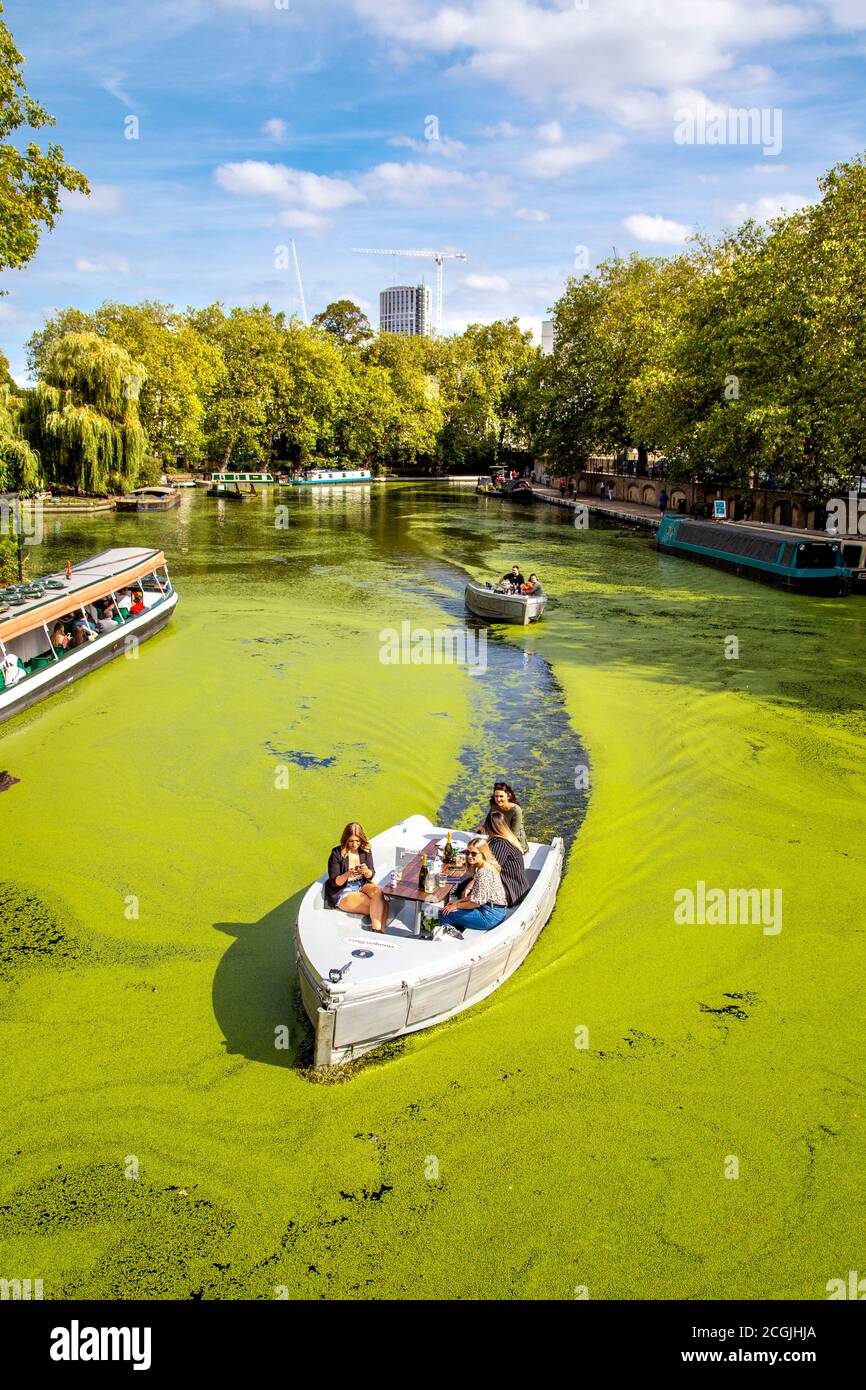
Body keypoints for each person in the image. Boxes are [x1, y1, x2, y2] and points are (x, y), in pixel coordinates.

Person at [325, 822, 388, 933]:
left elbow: (371, 873)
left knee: (379, 893)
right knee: (379, 906)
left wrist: (366, 871)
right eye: (351, 841)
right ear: (346, 840)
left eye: (357, 841)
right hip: (343, 890)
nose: (355, 844)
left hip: (361, 884)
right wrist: (348, 874)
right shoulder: (337, 853)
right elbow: (335, 882)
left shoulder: (365, 850)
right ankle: (378, 932)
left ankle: (378, 932)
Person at [441, 838, 508, 932]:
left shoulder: (484, 873)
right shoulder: (484, 866)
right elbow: (477, 896)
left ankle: (447, 940)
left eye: (474, 853)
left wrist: (456, 906)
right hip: (491, 909)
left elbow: (475, 903)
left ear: (483, 853)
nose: (469, 856)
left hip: (490, 915)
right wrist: (457, 902)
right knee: (450, 908)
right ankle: (456, 932)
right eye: (467, 852)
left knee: (445, 914)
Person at [483, 811, 529, 907]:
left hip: (511, 892)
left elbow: (489, 870)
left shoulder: (500, 843)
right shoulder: (508, 839)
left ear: (488, 827)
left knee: (463, 886)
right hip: (519, 887)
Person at [488, 781, 528, 852]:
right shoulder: (494, 806)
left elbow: (513, 834)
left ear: (508, 796)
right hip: (499, 837)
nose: (498, 799)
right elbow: (489, 820)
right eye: (496, 796)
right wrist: (482, 827)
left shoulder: (516, 810)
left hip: (515, 842)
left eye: (501, 796)